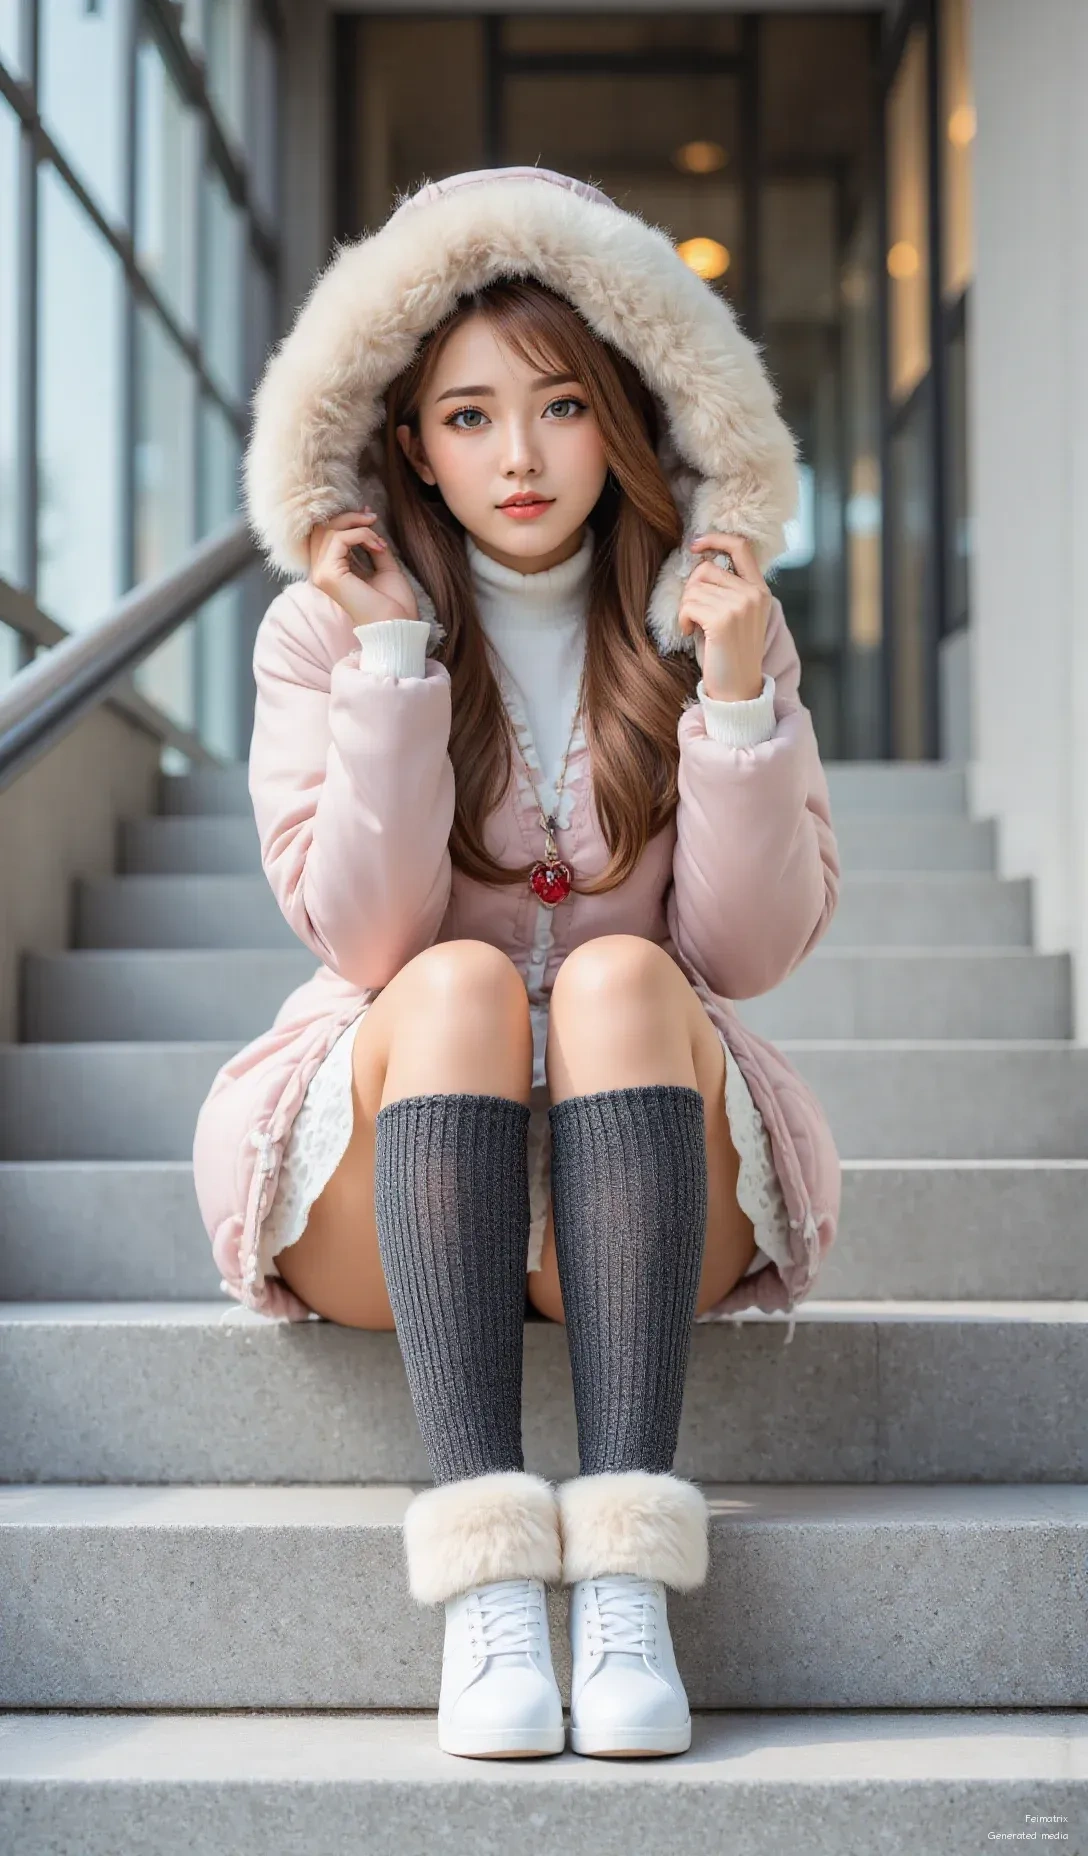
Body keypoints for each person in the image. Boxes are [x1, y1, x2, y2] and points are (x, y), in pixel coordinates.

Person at [192, 166, 842, 1762]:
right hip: (396, 1181)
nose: (523, 457)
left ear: (622, 417)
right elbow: (366, 938)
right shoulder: (323, 632)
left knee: (627, 978)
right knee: (455, 982)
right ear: (410, 442)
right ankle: (489, 1586)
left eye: (560, 407)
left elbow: (745, 952)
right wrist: (392, 658)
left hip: (642, 1182)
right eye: (470, 417)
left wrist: (734, 698)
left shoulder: (713, 618)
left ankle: (624, 1584)